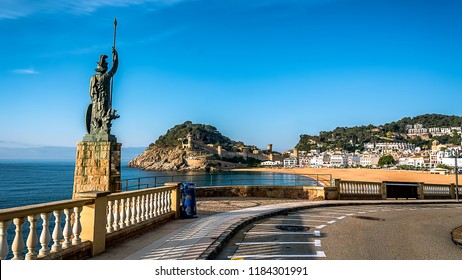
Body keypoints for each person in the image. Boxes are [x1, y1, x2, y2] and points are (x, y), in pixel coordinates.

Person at [89, 47, 119, 135]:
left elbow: (91, 93)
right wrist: (115, 56)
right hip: (103, 102)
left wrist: (95, 100)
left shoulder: (93, 78)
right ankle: (99, 131)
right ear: (105, 68)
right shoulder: (106, 76)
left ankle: (97, 130)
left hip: (96, 103)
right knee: (103, 118)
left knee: (99, 118)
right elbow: (114, 68)